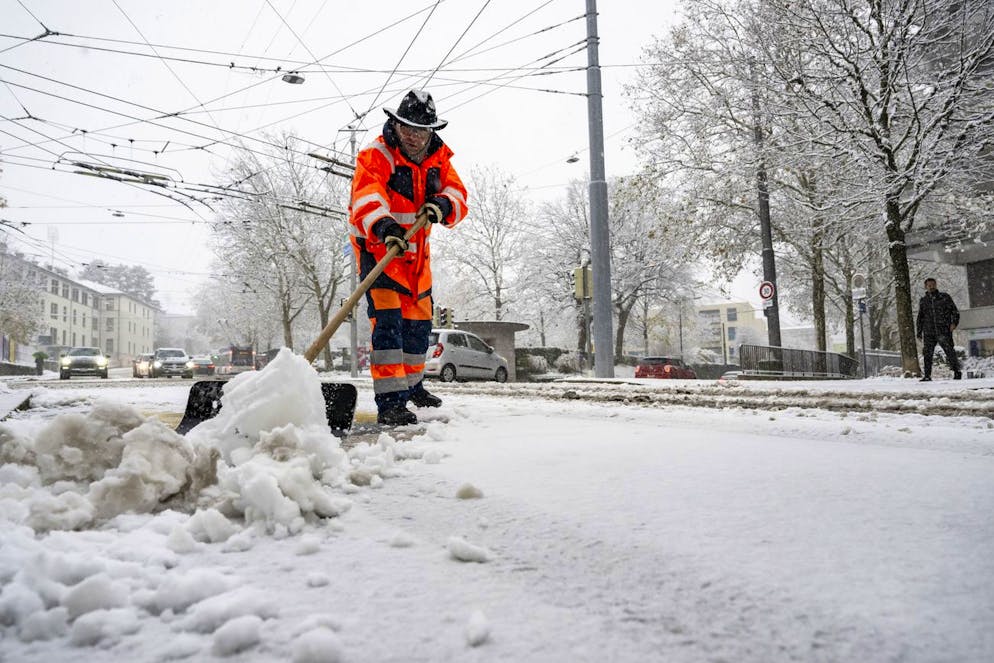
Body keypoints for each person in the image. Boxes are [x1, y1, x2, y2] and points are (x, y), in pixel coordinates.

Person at [348, 90, 468, 425]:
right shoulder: (377, 155)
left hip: (417, 260)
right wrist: (385, 227)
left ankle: (413, 386)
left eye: (420, 129)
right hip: (380, 251)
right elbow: (366, 197)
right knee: (388, 329)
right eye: (407, 128)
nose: (413, 136)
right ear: (396, 125)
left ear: (431, 130)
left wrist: (442, 205)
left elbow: (458, 194)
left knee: (417, 329)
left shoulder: (439, 158)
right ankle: (390, 403)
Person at [915, 277, 961, 381]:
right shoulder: (923, 301)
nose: (931, 287)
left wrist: (954, 323)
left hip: (943, 330)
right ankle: (927, 375)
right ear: (925, 287)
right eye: (929, 285)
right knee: (927, 354)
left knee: (949, 351)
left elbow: (954, 311)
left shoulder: (944, 297)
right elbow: (920, 317)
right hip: (929, 331)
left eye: (933, 284)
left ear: (936, 285)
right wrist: (919, 332)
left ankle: (957, 372)